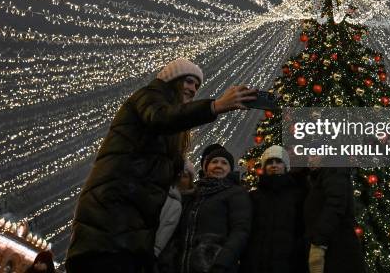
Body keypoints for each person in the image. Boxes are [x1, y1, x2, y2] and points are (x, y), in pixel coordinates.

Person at [65, 59, 257, 273]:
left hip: (129, 228)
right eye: (189, 82)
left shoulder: (172, 132)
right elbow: (161, 118)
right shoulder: (149, 97)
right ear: (172, 79)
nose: (193, 89)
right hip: (112, 221)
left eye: (196, 86)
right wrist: (215, 106)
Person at [176, 147, 252, 273]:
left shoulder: (236, 193)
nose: (218, 165)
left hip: (215, 267)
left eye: (224, 163)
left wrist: (221, 262)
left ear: (230, 169)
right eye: (214, 162)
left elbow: (240, 231)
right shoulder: (194, 193)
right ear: (206, 167)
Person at [240, 145, 308, 273]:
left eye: (278, 162)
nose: (274, 165)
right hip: (257, 263)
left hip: (289, 263)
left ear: (285, 166)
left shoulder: (298, 196)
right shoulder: (254, 197)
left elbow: (301, 230)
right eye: (270, 162)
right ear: (264, 167)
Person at [304, 165, 365, 273]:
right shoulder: (319, 176)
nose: (310, 160)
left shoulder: (334, 170)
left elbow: (334, 206)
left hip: (338, 249)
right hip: (333, 247)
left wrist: (318, 243)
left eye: (314, 154)